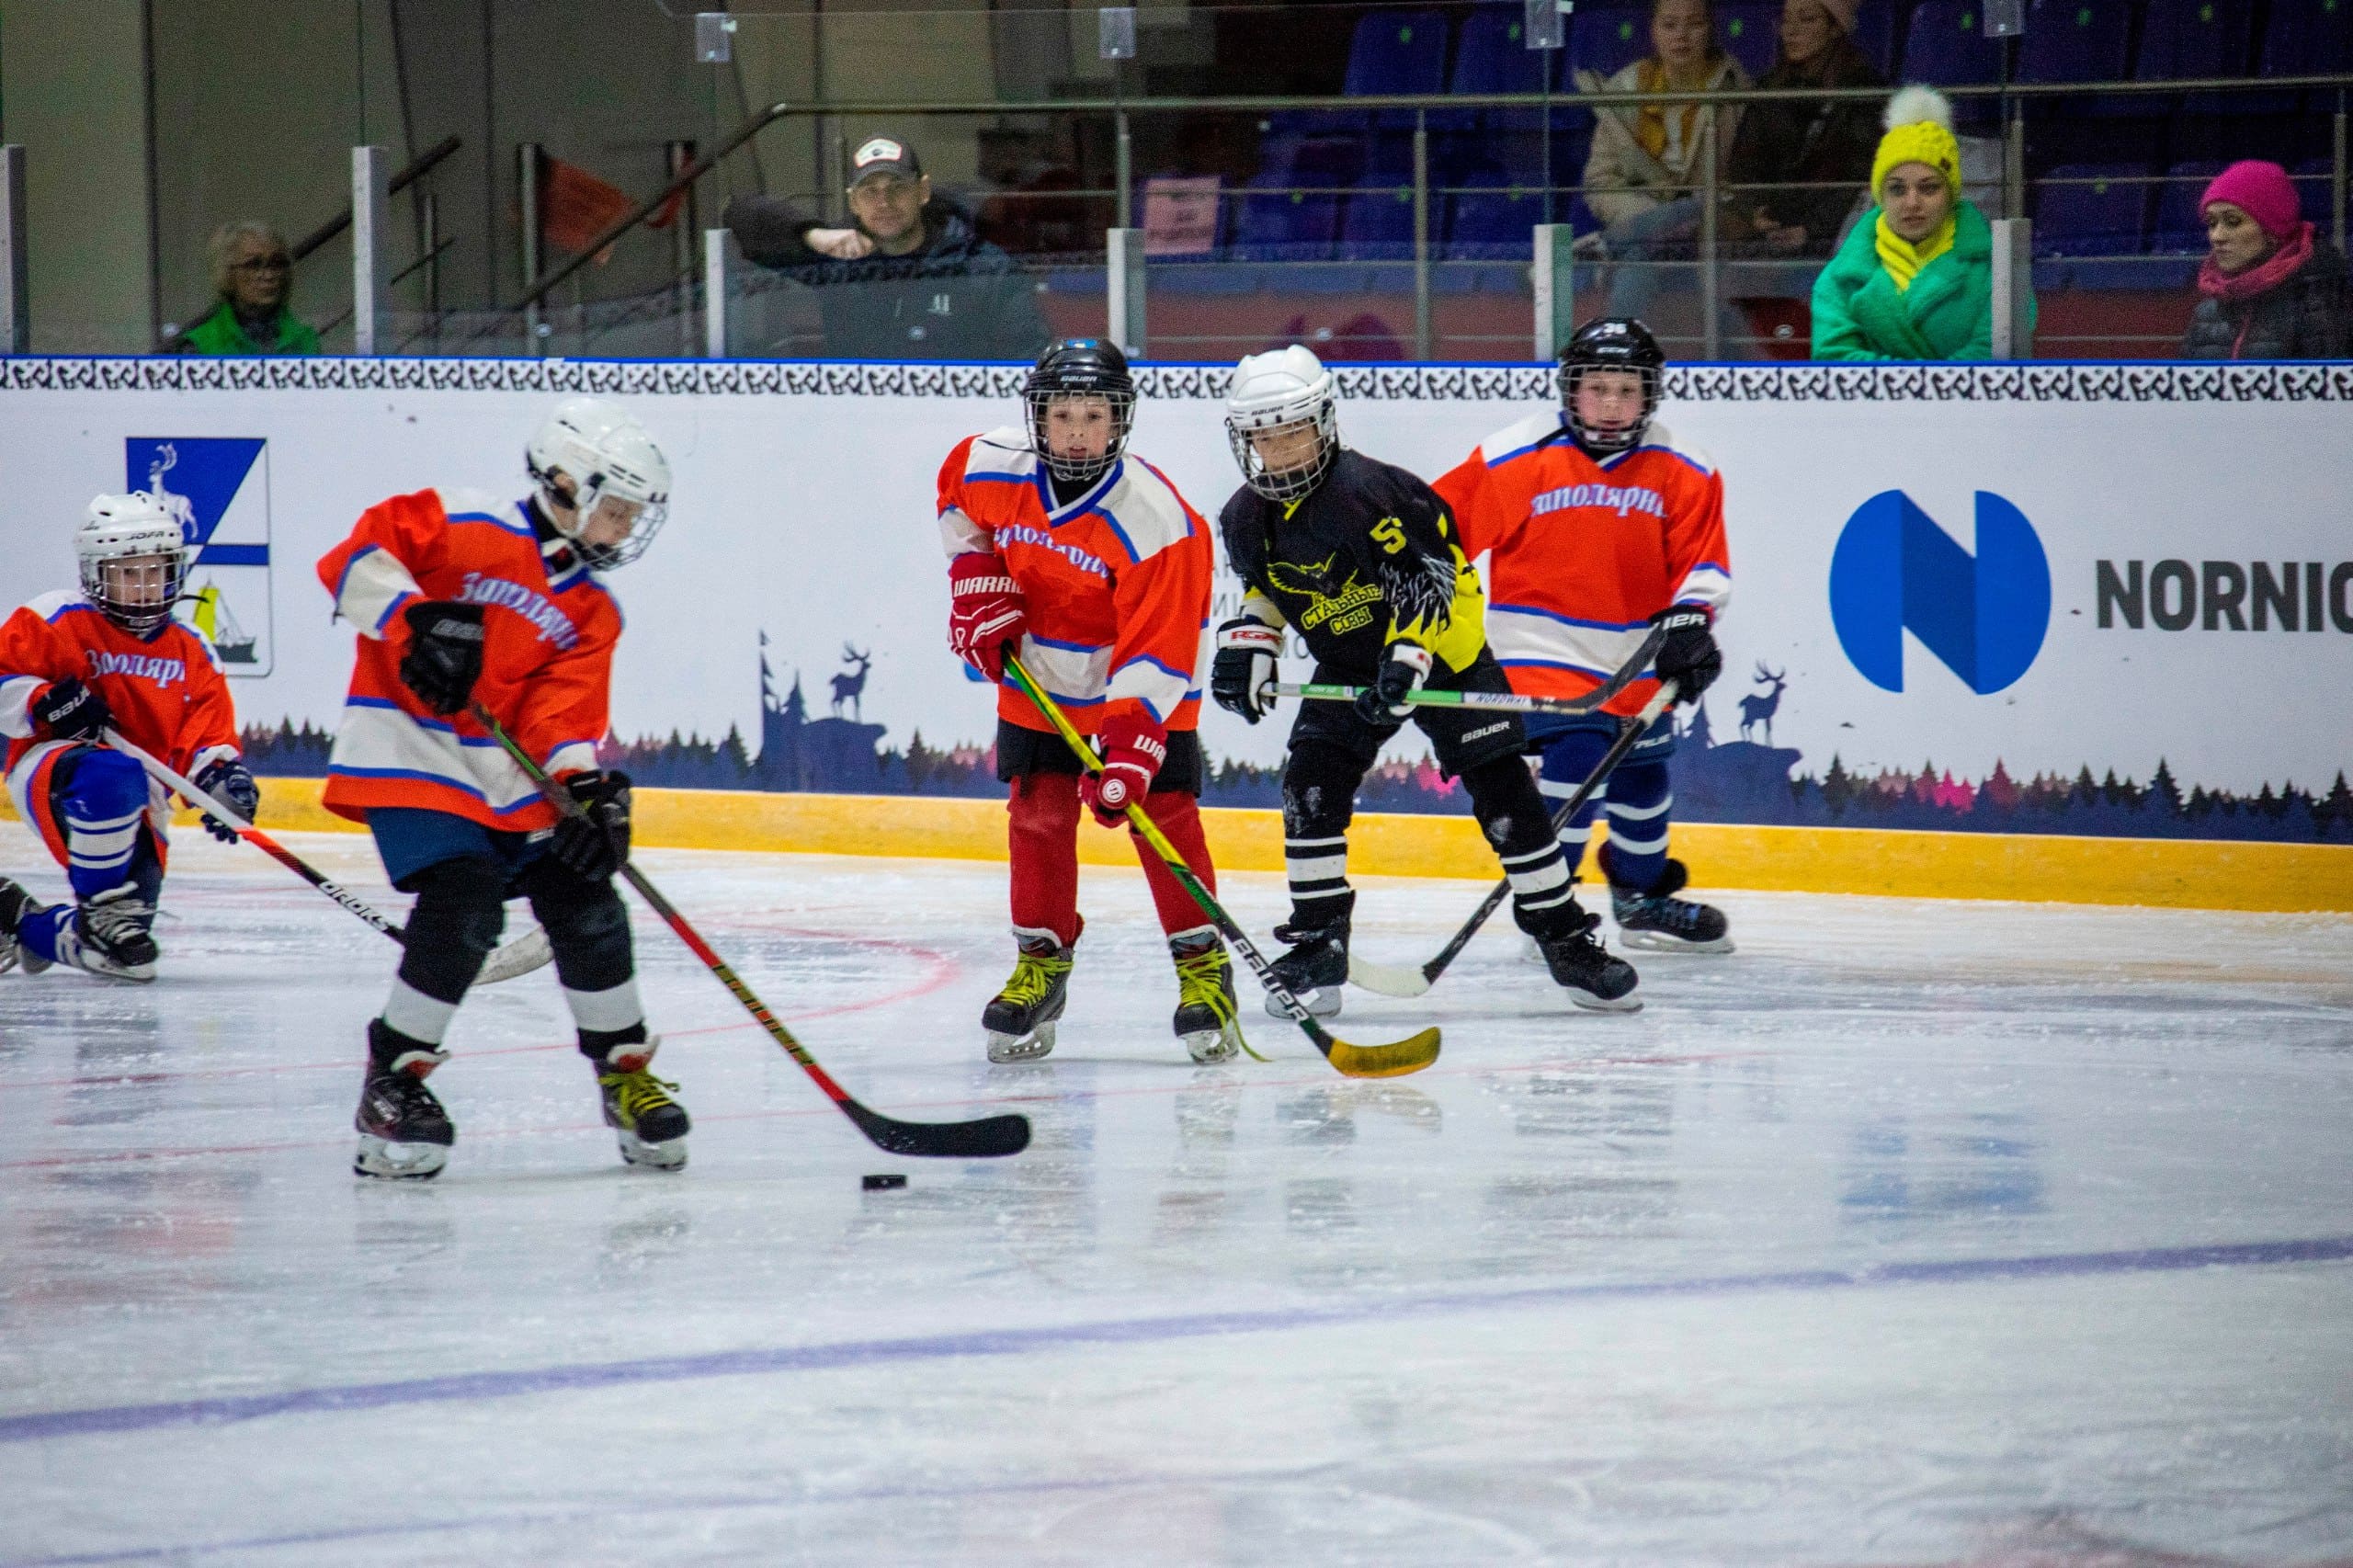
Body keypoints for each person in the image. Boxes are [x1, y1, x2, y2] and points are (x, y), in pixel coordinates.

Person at [316, 397, 688, 1180]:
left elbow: (561, 718)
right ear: (564, 483)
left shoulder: (591, 609)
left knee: (585, 894)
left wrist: (587, 792)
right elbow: (350, 560)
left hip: (503, 774)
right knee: (466, 902)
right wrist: (415, 620)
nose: (623, 531)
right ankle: (395, 1078)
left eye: (630, 516)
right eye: (614, 511)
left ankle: (625, 1073)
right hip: (408, 751)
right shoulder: (465, 523)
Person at [1211, 346, 1641, 1016]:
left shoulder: (1373, 494)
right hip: (1351, 662)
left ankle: (1564, 938)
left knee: (1504, 794)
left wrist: (1410, 656)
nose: (1280, 449)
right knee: (1310, 783)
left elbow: (1434, 585)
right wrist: (1250, 641)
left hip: (1447, 650)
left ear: (1322, 423)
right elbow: (1269, 591)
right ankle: (1320, 936)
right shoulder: (1244, 519)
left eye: (1292, 429)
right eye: (1264, 435)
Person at [939, 340, 1239, 1065]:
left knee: (1160, 816)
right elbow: (958, 503)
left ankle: (1205, 970)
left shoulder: (1158, 519)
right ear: (1037, 418)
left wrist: (1132, 747)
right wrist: (978, 573)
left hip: (1139, 687)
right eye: (1062, 413)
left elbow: (1162, 645)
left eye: (1094, 414)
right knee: (1038, 817)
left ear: (1120, 420)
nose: (1077, 430)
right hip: (1038, 679)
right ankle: (1040, 963)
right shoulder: (989, 463)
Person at [1434, 318, 1733, 955]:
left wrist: (1690, 622)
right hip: (1539, 647)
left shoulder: (1685, 468)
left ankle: (1642, 894)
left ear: (1650, 395)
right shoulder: (1514, 455)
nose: (1611, 405)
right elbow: (1437, 536)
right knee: (1577, 755)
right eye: (1597, 388)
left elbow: (1703, 565)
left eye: (1627, 391)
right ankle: (1553, 902)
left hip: (1635, 656)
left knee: (1643, 779)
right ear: (1571, 388)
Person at [0, 493, 257, 983]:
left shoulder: (191, 649)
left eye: (154, 572)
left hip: (145, 793)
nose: (143, 588)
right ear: (98, 573)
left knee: (127, 956)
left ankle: (15, 918)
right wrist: (42, 700)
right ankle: (97, 909)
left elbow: (206, 737)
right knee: (110, 772)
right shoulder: (56, 618)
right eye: (128, 573)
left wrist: (223, 782)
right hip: (54, 771)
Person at [724, 133, 1051, 361]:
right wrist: (813, 235)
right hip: (864, 430)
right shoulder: (838, 258)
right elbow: (738, 213)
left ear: (922, 191)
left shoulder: (980, 265)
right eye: (870, 191)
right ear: (853, 201)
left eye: (897, 188)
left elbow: (1030, 355)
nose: (884, 202)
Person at [1811, 87, 2030, 361]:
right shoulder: (1841, 277)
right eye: (1897, 190)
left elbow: (1995, 358)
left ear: (1950, 194)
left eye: (1928, 189)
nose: (1912, 202)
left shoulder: (1997, 272)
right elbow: (1834, 359)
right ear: (1880, 196)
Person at [1578, 0, 1751, 321]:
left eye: (1693, 24)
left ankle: (1608, 247)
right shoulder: (1625, 90)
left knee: (1691, 210)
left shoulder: (1736, 89)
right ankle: (1622, 349)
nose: (1681, 36)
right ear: (1654, 32)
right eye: (1669, 25)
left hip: (1712, 222)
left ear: (1710, 29)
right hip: (1647, 224)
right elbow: (1601, 183)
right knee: (1641, 252)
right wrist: (1652, 216)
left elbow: (1746, 179)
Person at [1722, 0, 1883, 260]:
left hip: (1831, 227)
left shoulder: (1864, 92)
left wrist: (1812, 229)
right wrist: (1754, 212)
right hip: (1772, 218)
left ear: (1835, 28)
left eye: (1806, 19)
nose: (1791, 30)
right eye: (1786, 20)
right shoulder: (1770, 87)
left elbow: (1859, 179)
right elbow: (1743, 164)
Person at [2180, 160, 2353, 361]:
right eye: (2211, 223)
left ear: (2273, 230)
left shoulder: (2320, 303)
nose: (2217, 236)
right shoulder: (2206, 314)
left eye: (2233, 221)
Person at [176, 221, 320, 356]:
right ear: (227, 273)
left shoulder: (305, 338)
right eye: (253, 265)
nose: (268, 275)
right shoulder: (200, 344)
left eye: (277, 264)